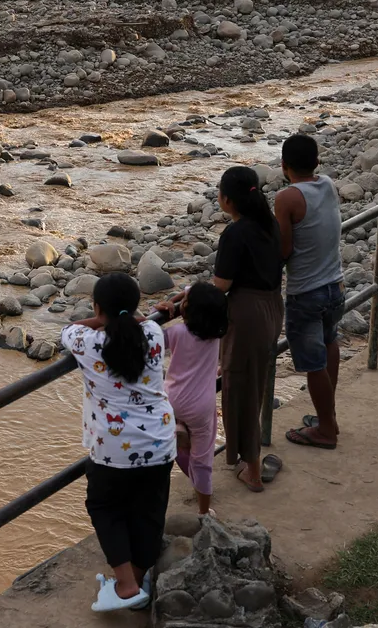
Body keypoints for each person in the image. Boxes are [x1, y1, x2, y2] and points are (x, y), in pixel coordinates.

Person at [61, 273, 175, 613]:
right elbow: (135, 322)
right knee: (149, 511)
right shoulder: (154, 333)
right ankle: (138, 580)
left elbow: (66, 330)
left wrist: (98, 318)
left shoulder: (86, 340)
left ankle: (125, 585)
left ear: (98, 309)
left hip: (112, 450)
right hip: (159, 442)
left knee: (105, 508)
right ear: (136, 307)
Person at [210, 166, 284, 491]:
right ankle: (250, 459)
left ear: (227, 200)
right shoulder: (269, 224)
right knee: (254, 384)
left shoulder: (235, 234)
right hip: (271, 308)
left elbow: (221, 285)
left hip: (247, 314)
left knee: (240, 388)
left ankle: (252, 470)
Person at [275, 134, 345, 451]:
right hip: (335, 286)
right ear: (317, 162)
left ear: (284, 166)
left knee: (313, 363)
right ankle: (327, 417)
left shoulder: (287, 198)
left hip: (306, 292)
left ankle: (326, 430)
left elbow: (285, 249)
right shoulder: (328, 184)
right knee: (330, 344)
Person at [154, 282, 226, 515]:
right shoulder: (215, 337)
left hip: (171, 399)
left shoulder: (175, 333)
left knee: (169, 446)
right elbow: (193, 292)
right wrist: (182, 302)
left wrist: (169, 306)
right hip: (201, 406)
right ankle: (205, 512)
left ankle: (178, 430)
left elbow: (150, 340)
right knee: (203, 458)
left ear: (188, 309)